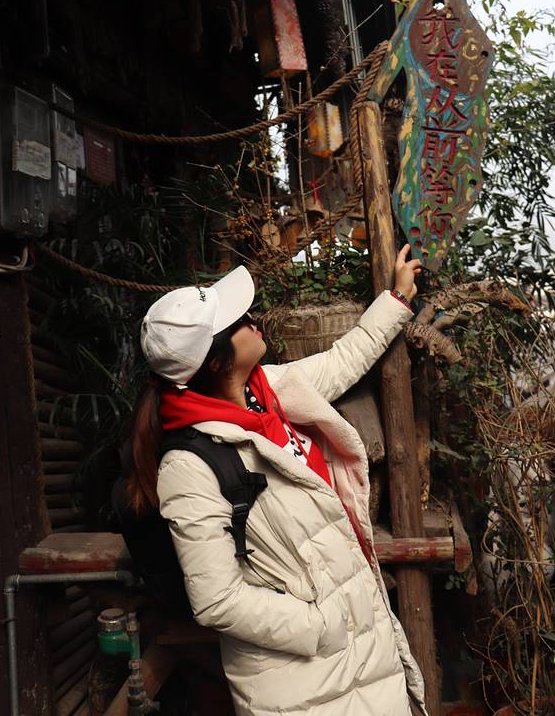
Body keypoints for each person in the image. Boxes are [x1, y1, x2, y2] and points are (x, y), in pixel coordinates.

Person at [127, 245, 427, 716]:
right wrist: (320, 626)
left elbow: (343, 360)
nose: (253, 320)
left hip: (364, 651)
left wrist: (397, 298)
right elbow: (216, 599)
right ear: (218, 362)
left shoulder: (268, 391)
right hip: (303, 683)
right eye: (239, 321)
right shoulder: (188, 466)